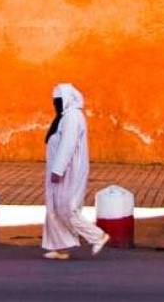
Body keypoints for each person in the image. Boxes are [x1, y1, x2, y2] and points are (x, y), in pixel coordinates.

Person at [42, 83, 110, 260]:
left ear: (68, 99)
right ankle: (61, 247)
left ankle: (98, 236)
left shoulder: (73, 116)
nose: (55, 103)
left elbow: (68, 144)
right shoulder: (64, 116)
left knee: (67, 207)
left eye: (58, 100)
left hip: (70, 170)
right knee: (55, 207)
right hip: (59, 170)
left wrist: (58, 169)